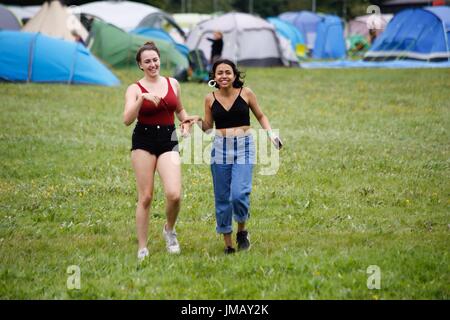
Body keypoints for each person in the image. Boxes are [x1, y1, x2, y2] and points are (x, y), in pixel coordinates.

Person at [183, 59, 282, 254]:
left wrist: (271, 134)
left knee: (239, 194)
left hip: (244, 147)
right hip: (220, 149)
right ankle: (229, 245)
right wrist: (197, 120)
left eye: (228, 72)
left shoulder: (246, 93)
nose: (224, 76)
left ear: (235, 75)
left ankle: (242, 231)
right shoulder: (210, 98)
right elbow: (208, 128)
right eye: (219, 73)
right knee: (222, 198)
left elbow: (261, 116)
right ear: (214, 77)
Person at [123, 41, 195, 261]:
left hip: (168, 138)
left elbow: (180, 110)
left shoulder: (173, 83)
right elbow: (127, 119)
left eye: (155, 60)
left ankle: (169, 230)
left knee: (174, 194)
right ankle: (142, 247)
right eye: (147, 61)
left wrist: (185, 122)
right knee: (145, 197)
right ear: (140, 65)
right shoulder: (135, 88)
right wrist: (142, 99)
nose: (153, 64)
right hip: (143, 140)